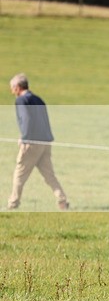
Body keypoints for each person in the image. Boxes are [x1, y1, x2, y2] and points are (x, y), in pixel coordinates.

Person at [7, 73, 69, 210]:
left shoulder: (22, 100)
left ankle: (13, 204)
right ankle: (62, 200)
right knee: (49, 174)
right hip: (45, 142)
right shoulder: (38, 99)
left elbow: (26, 120)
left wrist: (24, 138)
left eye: (12, 88)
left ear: (17, 87)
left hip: (32, 143)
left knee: (19, 173)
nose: (12, 91)